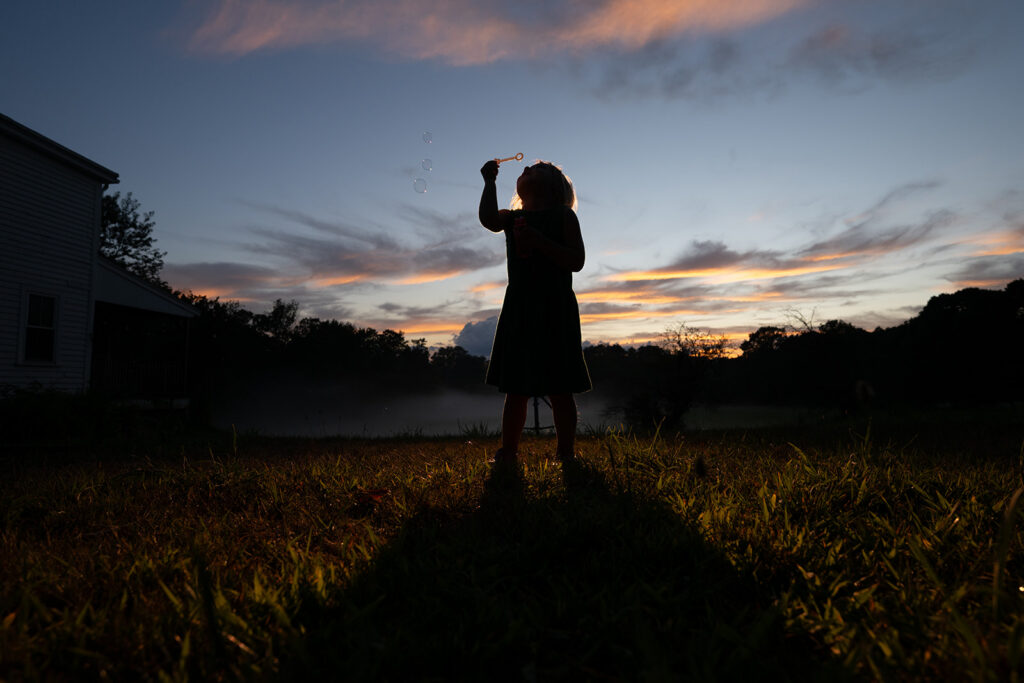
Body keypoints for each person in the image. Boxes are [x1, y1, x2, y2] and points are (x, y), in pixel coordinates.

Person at [478, 158, 592, 463]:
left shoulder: (563, 216)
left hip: (555, 307)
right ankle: (508, 451)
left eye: (537, 169)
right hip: (520, 307)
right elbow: (488, 219)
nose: (527, 169)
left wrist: (539, 241)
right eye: (526, 168)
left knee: (560, 386)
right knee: (516, 386)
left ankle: (565, 453)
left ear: (555, 187)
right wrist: (489, 182)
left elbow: (576, 261)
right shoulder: (513, 218)